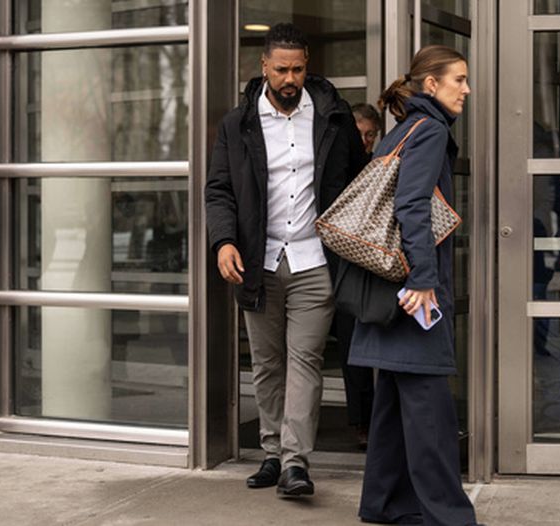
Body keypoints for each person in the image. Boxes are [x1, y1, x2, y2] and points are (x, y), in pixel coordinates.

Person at [205, 23, 366, 498]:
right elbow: (219, 191)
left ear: (307, 65)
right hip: (259, 260)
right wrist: (224, 242)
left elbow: (358, 181)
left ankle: (296, 461)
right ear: (264, 67)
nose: (290, 78)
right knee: (267, 363)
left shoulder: (334, 118)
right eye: (281, 70)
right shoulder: (238, 125)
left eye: (297, 69)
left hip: (316, 260)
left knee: (306, 359)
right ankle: (273, 452)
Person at [348, 45, 483, 526]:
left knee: (392, 404)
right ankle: (448, 516)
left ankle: (383, 503)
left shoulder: (402, 131)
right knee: (430, 414)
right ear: (432, 85)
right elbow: (411, 206)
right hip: (413, 291)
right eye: (459, 80)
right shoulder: (428, 133)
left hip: (390, 290)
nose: (467, 89)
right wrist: (424, 279)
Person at [333, 101, 383, 450]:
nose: (364, 141)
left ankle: (373, 421)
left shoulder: (377, 168)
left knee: (364, 345)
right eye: (358, 134)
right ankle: (361, 421)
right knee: (351, 347)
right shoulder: (333, 168)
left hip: (368, 268)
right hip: (333, 267)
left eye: (370, 135)